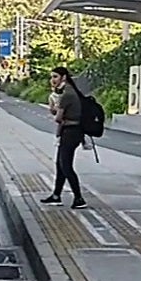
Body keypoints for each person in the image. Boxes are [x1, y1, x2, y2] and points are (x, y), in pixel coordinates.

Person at [40, 66, 87, 209]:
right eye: (51, 77)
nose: (52, 80)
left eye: (55, 77)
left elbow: (58, 118)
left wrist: (53, 107)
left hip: (70, 132)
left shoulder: (67, 94)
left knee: (65, 165)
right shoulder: (70, 92)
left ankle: (79, 198)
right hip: (72, 132)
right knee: (60, 165)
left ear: (64, 77)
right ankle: (56, 196)